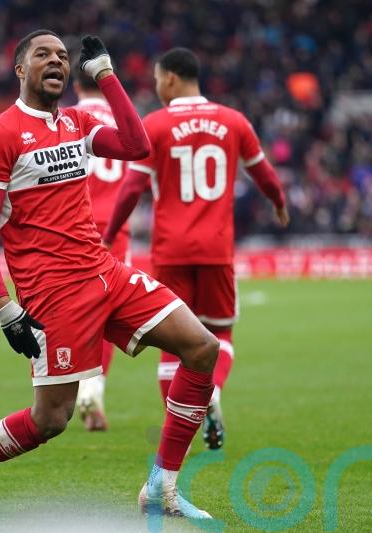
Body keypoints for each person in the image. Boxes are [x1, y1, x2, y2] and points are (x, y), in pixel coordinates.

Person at [0, 30, 219, 522]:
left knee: (202, 348)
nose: (56, 61)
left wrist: (107, 76)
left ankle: (163, 487)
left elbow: (137, 145)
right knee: (50, 420)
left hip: (106, 274)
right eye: (42, 55)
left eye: (62, 57)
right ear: (20, 70)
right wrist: (4, 306)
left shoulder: (75, 121)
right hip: (54, 295)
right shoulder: (2, 136)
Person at [103, 47, 289, 450]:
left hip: (170, 250)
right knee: (219, 333)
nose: (155, 86)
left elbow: (132, 189)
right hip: (216, 249)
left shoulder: (154, 124)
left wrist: (109, 234)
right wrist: (278, 202)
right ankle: (213, 392)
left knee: (172, 340)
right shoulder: (234, 120)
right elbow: (264, 174)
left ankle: (177, 431)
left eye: (156, 78)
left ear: (170, 77)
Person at [70, 72, 132, 431]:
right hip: (113, 228)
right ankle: (94, 387)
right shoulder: (123, 122)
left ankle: (66, 383)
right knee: (108, 311)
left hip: (73, 223)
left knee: (70, 307)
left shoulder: (65, 119)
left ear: (76, 86)